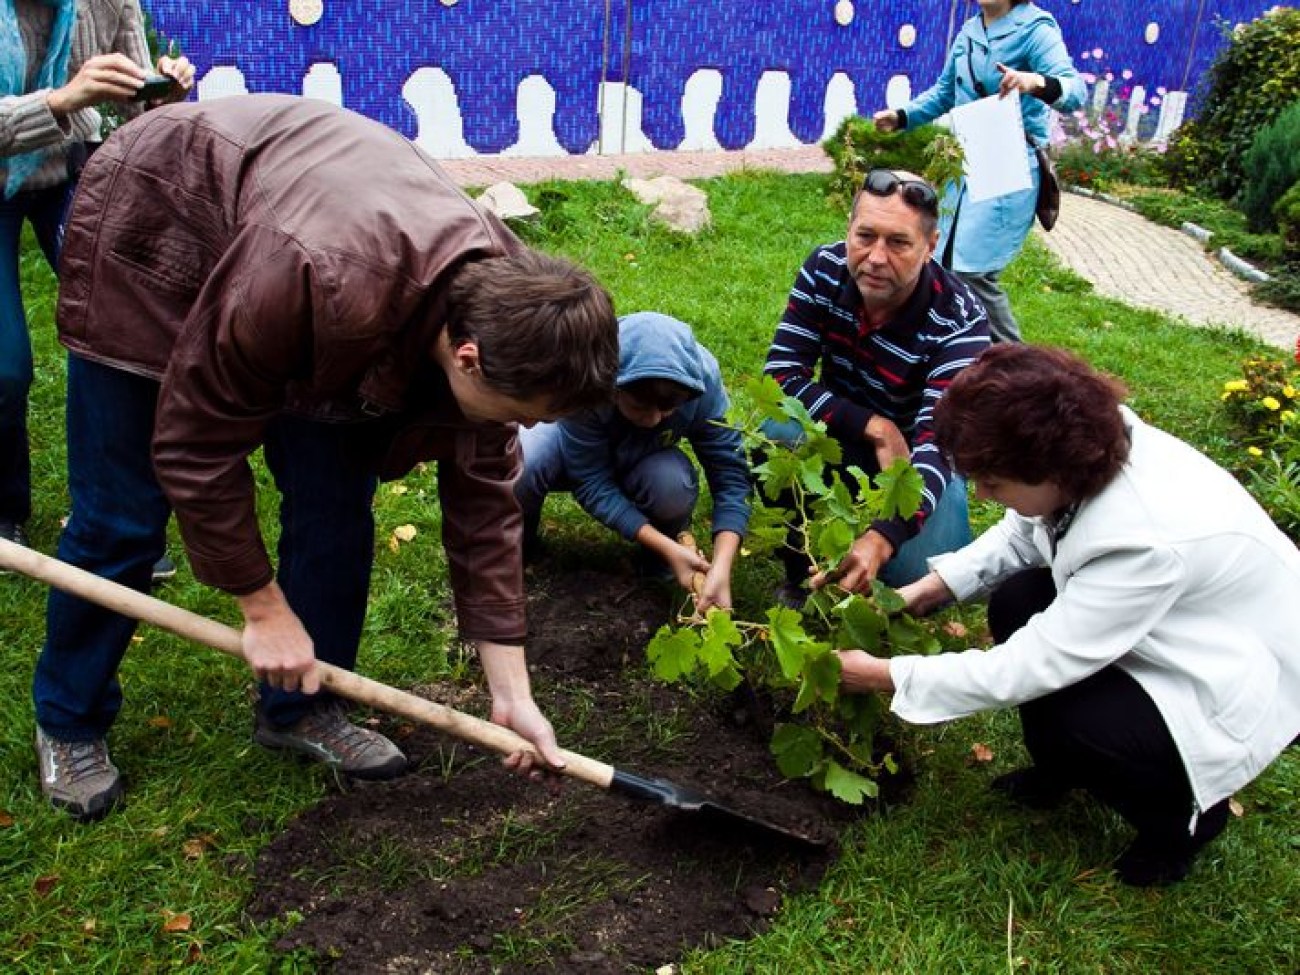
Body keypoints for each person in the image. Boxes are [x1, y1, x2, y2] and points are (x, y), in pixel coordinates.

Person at [31, 94, 620, 821]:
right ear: (467, 358)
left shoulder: (506, 308)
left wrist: (512, 693)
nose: (526, 429)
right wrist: (261, 605)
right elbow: (195, 440)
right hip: (163, 219)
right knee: (122, 514)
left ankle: (300, 707)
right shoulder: (323, 277)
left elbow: (485, 500)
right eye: (525, 415)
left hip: (297, 253)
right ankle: (69, 717)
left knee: (335, 505)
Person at [839, 344, 1300, 886]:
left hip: (1230, 671)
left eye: (994, 483)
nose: (986, 494)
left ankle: (1179, 824)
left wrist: (881, 675)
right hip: (1172, 620)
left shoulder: (1142, 537)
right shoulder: (1091, 452)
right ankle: (1059, 770)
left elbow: (1028, 668)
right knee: (1019, 599)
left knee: (1085, 722)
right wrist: (930, 588)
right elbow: (1027, 527)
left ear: (1052, 468)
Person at [0, 0, 193, 552]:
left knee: (123, 329)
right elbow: (69, 100)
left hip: (65, 170)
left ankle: (118, 518)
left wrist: (163, 88)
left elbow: (140, 111)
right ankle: (5, 509)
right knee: (5, 370)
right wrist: (61, 99)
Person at [762, 168, 990, 606]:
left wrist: (884, 535)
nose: (876, 257)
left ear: (930, 246)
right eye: (865, 236)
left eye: (899, 242)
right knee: (778, 430)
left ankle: (872, 550)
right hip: (840, 434)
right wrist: (875, 426)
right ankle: (802, 565)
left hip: (915, 464)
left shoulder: (961, 321)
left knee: (916, 584)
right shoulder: (823, 270)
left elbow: (939, 444)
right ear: (848, 230)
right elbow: (781, 376)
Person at [873, 0, 1085, 344]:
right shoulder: (971, 30)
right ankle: (951, 351)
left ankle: (1018, 364)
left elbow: (1075, 91)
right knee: (939, 261)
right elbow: (945, 92)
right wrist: (901, 116)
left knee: (973, 272)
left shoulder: (1035, 28)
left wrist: (1034, 82)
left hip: (1007, 166)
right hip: (965, 163)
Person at [515, 311, 750, 610]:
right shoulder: (588, 378)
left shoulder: (701, 384)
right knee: (522, 462)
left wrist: (722, 564)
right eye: (639, 407)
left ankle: (660, 561)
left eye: (667, 411)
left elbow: (730, 473)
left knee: (672, 486)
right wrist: (669, 548)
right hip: (568, 444)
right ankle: (518, 547)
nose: (652, 420)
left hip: (643, 455)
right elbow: (589, 480)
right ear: (613, 388)